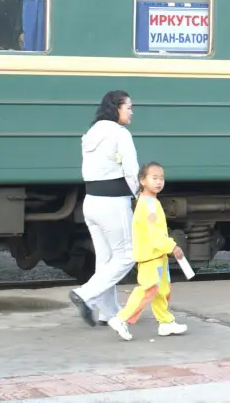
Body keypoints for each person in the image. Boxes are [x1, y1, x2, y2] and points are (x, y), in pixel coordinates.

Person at [68, 90, 140, 328]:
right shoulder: (120, 133)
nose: (131, 112)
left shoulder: (91, 133)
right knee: (128, 254)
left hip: (91, 202)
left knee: (106, 259)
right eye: (128, 107)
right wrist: (142, 196)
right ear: (116, 107)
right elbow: (131, 170)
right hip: (113, 203)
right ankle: (85, 294)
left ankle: (109, 313)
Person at [107, 161, 188, 341]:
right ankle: (121, 319)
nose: (159, 182)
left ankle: (166, 322)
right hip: (151, 256)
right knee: (149, 288)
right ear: (143, 180)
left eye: (161, 178)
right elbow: (154, 233)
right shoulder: (149, 205)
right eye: (154, 178)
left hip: (157, 256)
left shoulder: (150, 202)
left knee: (162, 290)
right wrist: (172, 246)